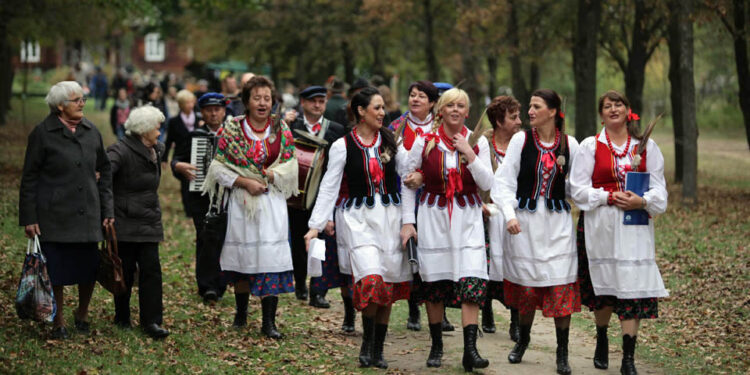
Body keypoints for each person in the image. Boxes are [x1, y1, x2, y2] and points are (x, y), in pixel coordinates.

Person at [305, 87, 411, 369]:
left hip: (390, 218)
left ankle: (377, 349)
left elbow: (408, 171)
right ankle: (366, 343)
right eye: (376, 108)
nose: (382, 112)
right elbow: (328, 188)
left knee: (387, 284)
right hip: (357, 219)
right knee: (370, 279)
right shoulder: (342, 146)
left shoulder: (389, 141)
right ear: (361, 111)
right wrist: (315, 226)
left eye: (382, 107)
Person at [570, 90, 668, 375]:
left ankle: (628, 357)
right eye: (607, 106)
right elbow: (577, 189)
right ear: (601, 114)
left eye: (618, 104)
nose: (613, 109)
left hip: (635, 227)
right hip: (600, 226)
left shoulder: (647, 147)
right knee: (605, 290)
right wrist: (608, 198)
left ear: (629, 111)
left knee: (631, 290)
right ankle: (601, 337)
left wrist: (643, 201)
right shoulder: (591, 146)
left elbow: (660, 190)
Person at [400, 88, 493, 371]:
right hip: (434, 216)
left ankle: (470, 350)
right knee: (435, 283)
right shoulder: (425, 141)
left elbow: (488, 184)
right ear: (440, 110)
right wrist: (408, 221)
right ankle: (437, 344)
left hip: (467, 217)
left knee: (472, 279)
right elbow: (407, 183)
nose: (455, 109)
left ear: (467, 112)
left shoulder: (478, 142)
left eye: (461, 105)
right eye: (450, 105)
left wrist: (470, 154)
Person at [491, 88, 580, 375]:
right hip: (525, 225)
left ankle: (562, 352)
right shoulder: (521, 140)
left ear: (552, 111)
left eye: (536, 106)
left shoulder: (569, 144)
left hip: (557, 227)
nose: (529, 111)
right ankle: (523, 340)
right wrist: (508, 215)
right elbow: (502, 183)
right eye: (529, 106)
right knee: (527, 290)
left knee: (560, 287)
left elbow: (576, 187)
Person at [202, 76, 299, 339]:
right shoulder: (232, 129)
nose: (262, 103)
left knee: (270, 258)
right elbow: (218, 168)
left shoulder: (281, 130)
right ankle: (241, 313)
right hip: (243, 203)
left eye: (267, 98)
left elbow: (291, 167)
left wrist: (269, 177)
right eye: (257, 97)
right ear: (246, 101)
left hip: (271, 203)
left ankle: (269, 322)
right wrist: (244, 181)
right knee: (243, 258)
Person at [19, 81, 114, 340]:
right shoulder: (42, 133)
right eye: (76, 100)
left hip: (88, 214)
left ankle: (82, 313)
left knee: (88, 268)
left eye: (83, 99)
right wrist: (29, 217)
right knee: (57, 271)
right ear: (60, 106)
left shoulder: (91, 130)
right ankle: (58, 319)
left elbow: (105, 170)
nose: (82, 103)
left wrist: (108, 210)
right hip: (55, 214)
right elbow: (30, 178)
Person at [107, 106, 170, 339]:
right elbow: (104, 174)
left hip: (150, 220)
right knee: (124, 270)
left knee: (152, 270)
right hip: (125, 221)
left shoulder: (157, 149)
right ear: (143, 130)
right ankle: (122, 315)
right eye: (156, 126)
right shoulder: (120, 150)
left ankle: (152, 321)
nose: (160, 130)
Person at [286, 86, 348, 309]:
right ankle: (300, 281)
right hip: (295, 195)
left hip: (323, 195)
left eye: (322, 101)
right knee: (297, 241)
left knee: (320, 242)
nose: (318, 105)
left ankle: (318, 290)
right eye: (313, 101)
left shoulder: (336, 130)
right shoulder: (291, 126)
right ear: (303, 102)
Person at [387, 80, 440, 332]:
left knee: (435, 250)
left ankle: (438, 305)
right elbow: (391, 164)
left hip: (433, 196)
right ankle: (413, 308)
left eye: (421, 96)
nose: (415, 100)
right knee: (411, 252)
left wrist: (423, 175)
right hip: (404, 195)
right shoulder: (396, 128)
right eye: (412, 95)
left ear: (432, 102)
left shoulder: (440, 127)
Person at [171, 92, 229, 302]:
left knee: (223, 238)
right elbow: (176, 160)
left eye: (217, 109)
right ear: (202, 112)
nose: (213, 113)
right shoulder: (194, 136)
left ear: (224, 111)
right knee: (205, 238)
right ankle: (207, 286)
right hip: (201, 196)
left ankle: (221, 282)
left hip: (228, 196)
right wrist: (178, 166)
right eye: (209, 110)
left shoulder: (234, 135)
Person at [482, 95, 522, 339]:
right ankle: (486, 310)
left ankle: (515, 320)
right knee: (487, 264)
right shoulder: (482, 144)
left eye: (519, 116)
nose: (519, 121)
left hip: (514, 211)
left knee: (515, 263)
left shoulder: (522, 144)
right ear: (498, 121)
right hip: (488, 210)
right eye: (513, 117)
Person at [163, 89, 199, 164]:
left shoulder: (199, 119)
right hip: (180, 157)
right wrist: (164, 159)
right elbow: (169, 140)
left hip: (197, 156)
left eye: (191, 102)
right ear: (180, 104)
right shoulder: (174, 121)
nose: (190, 105)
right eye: (187, 103)